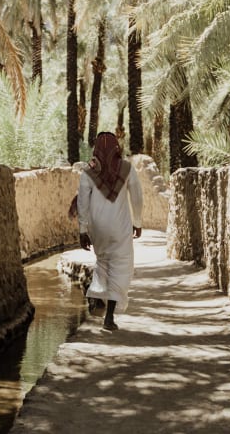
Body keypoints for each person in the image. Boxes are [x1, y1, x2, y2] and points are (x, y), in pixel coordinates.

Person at [77, 131, 143, 331]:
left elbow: (82, 202)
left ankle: (97, 297)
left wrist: (83, 229)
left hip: (98, 229)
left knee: (103, 261)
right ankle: (109, 316)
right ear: (117, 147)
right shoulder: (127, 169)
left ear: (96, 148)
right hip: (120, 227)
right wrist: (137, 222)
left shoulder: (88, 172)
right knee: (120, 266)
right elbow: (137, 198)